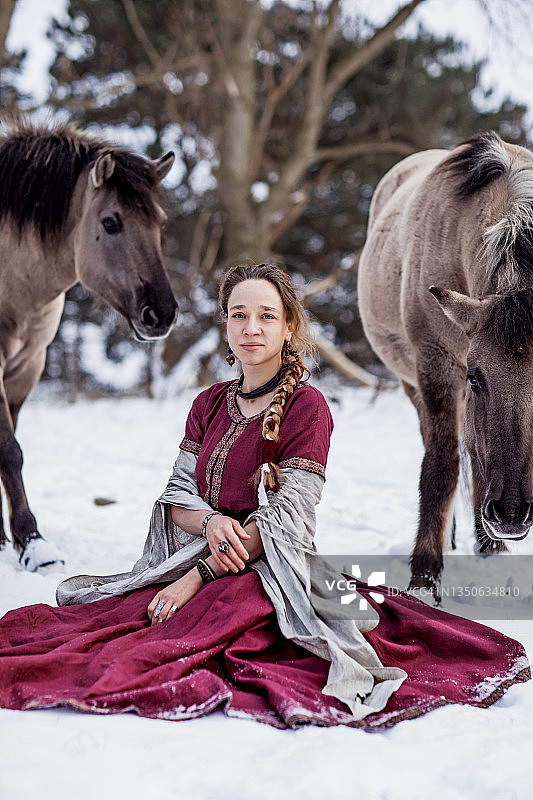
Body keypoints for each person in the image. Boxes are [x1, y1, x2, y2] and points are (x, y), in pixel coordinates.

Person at [0, 263, 529, 729]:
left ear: (289, 326)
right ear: (226, 325)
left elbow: (287, 518)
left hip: (275, 571)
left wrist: (195, 578)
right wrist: (208, 525)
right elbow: (176, 497)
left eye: (267, 316)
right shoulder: (208, 403)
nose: (251, 328)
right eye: (237, 315)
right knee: (87, 637)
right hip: (196, 555)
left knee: (207, 634)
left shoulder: (307, 407)